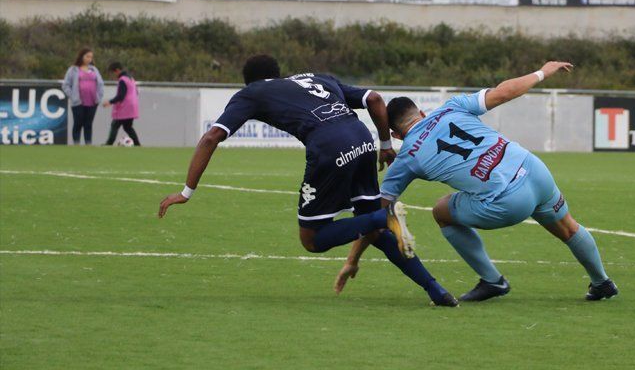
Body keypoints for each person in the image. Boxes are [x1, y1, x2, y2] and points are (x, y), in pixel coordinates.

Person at [157, 54, 458, 307]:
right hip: (361, 139)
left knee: (312, 239)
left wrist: (187, 191)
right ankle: (436, 290)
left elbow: (212, 136)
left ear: (250, 82)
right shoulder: (317, 77)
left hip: (329, 147)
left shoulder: (252, 93)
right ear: (278, 74)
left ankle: (384, 214)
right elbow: (375, 99)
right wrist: (384, 144)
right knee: (374, 230)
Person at [370, 61, 618, 302]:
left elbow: (377, 209)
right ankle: (602, 281)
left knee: (441, 212)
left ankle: (492, 280)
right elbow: (504, 93)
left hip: (508, 200)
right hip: (533, 169)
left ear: (395, 134)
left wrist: (354, 255)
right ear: (422, 112)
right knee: (567, 227)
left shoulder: (407, 157)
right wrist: (543, 72)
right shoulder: (452, 107)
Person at [62, 47, 104, 145]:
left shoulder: (94, 69)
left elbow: (100, 84)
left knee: (88, 124)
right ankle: (76, 144)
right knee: (78, 123)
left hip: (93, 102)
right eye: (87, 56)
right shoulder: (73, 69)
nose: (89, 59)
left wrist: (99, 96)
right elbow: (66, 85)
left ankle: (88, 144)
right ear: (81, 56)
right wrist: (72, 96)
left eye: (91, 57)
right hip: (78, 102)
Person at [103, 62, 141, 146]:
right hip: (132, 106)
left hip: (124, 108)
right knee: (128, 127)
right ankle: (137, 144)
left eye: (112, 73)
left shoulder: (122, 80)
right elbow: (136, 92)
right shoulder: (131, 78)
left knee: (115, 125)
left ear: (117, 71)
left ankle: (109, 144)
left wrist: (110, 102)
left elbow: (121, 96)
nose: (112, 76)